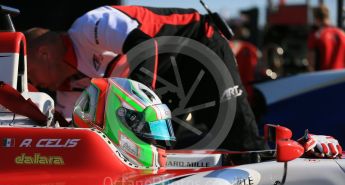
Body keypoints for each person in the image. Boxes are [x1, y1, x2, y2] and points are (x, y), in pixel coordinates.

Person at [25, 5, 266, 152]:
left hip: (199, 45)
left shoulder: (90, 26)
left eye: (28, 70)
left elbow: (145, 46)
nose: (32, 82)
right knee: (166, 150)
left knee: (241, 139)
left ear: (43, 53)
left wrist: (136, 105)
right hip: (166, 77)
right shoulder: (68, 87)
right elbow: (74, 134)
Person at [307, 4, 345, 71]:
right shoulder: (342, 34)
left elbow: (311, 63)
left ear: (316, 18)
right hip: (340, 77)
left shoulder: (316, 35)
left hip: (323, 78)